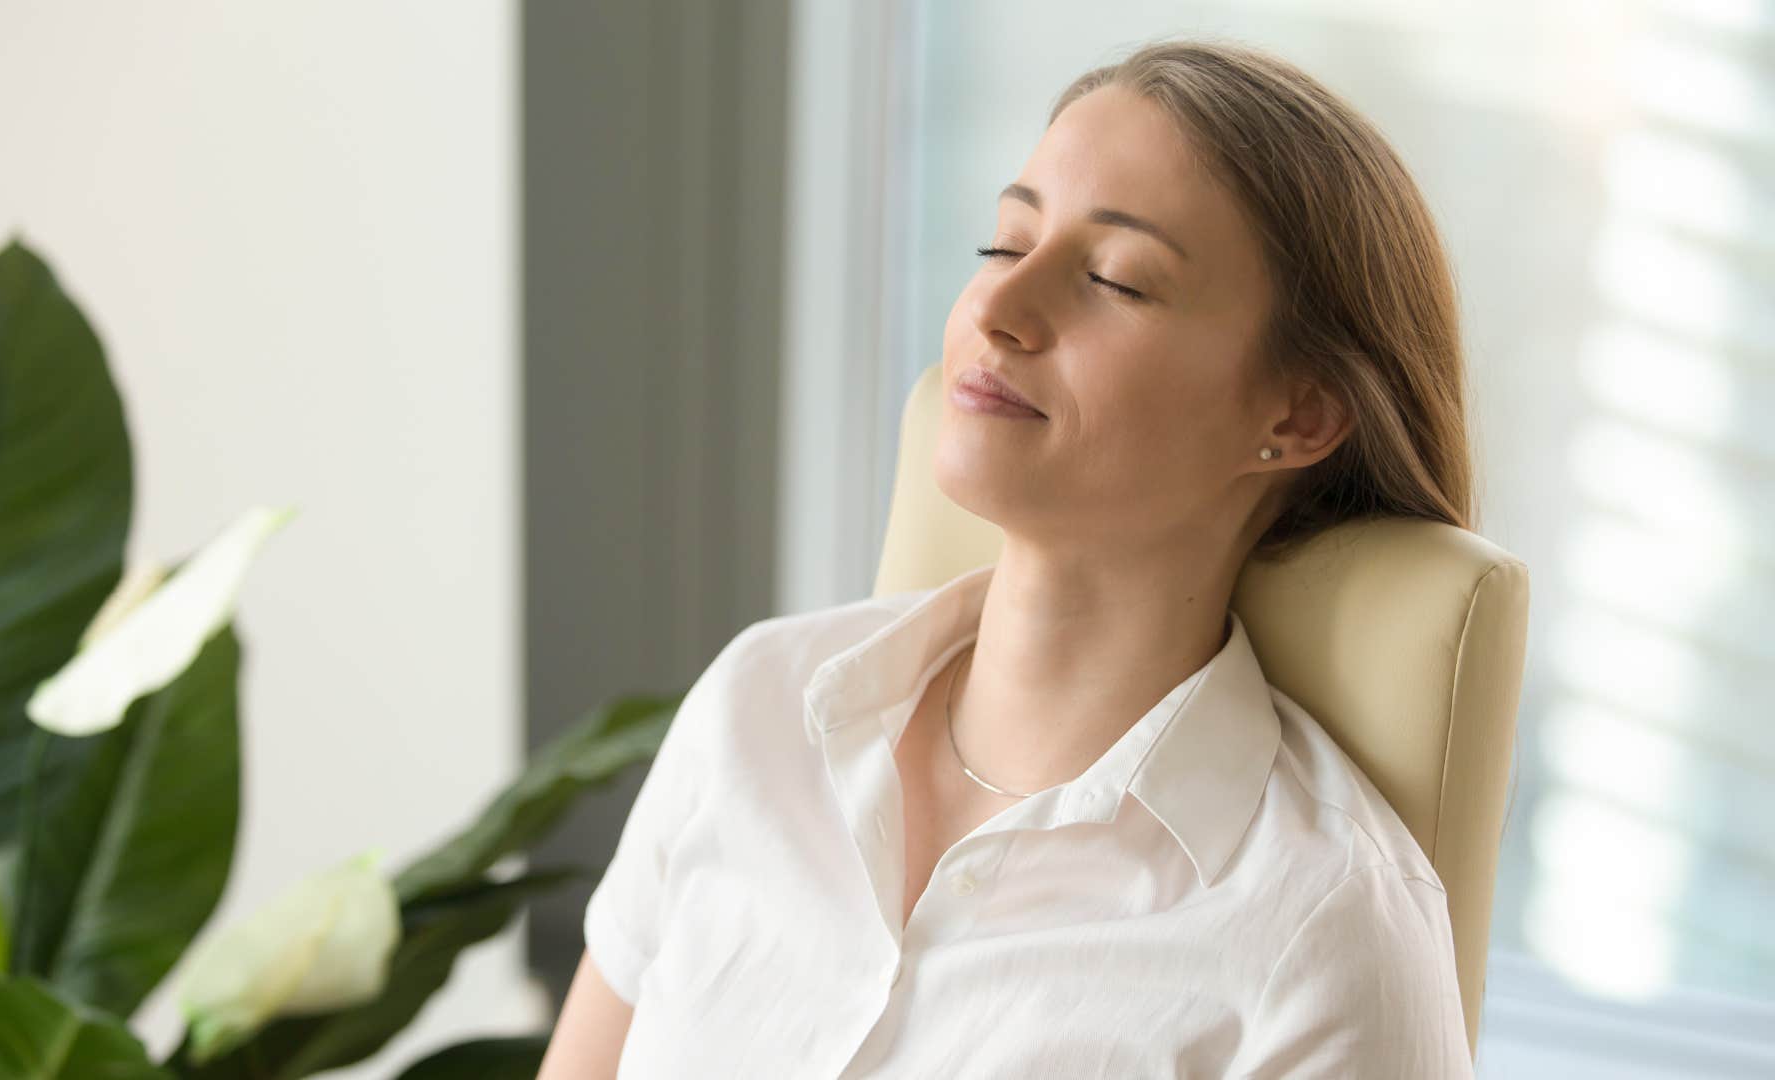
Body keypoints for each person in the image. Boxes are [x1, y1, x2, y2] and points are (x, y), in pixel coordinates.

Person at [541, 35, 1477, 1079]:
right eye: (1003, 245)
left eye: (1116, 280)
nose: (996, 308)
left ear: (1300, 413)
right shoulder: (759, 709)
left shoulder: (1323, 940)